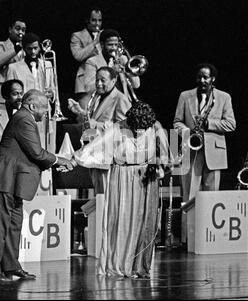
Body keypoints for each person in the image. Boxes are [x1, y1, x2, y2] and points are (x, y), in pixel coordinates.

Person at [0, 89, 75, 283]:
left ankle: (10, 266)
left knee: (13, 225)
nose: (47, 112)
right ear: (32, 106)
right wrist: (59, 160)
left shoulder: (24, 118)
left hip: (13, 181)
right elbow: (36, 152)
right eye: (44, 108)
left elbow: (27, 154)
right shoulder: (24, 119)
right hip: (3, 179)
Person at [73, 101, 170, 278]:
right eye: (136, 128)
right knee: (121, 220)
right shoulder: (117, 128)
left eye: (144, 128)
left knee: (145, 223)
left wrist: (157, 165)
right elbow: (95, 147)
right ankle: (118, 265)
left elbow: (165, 155)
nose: (140, 132)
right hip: (122, 177)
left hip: (147, 179)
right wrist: (74, 160)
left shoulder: (155, 127)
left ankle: (139, 267)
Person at [173, 63, 236, 201]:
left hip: (214, 152)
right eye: (199, 77)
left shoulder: (224, 97)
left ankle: (208, 223)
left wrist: (208, 124)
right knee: (189, 196)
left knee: (212, 197)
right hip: (191, 150)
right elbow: (177, 122)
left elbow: (231, 124)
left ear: (213, 79)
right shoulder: (185, 96)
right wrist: (188, 132)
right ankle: (188, 223)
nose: (202, 80)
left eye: (205, 77)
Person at [68, 66, 131, 194]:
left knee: (107, 198)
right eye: (97, 80)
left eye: (103, 80)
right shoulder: (96, 96)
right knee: (100, 197)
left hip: (110, 159)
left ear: (114, 81)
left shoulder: (120, 98)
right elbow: (93, 121)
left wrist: (96, 124)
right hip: (96, 155)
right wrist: (81, 113)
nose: (99, 84)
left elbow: (123, 128)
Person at [6, 32, 57, 153]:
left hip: (45, 112)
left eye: (35, 48)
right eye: (29, 49)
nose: (33, 52)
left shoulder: (48, 64)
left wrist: (52, 94)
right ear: (24, 49)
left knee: (46, 146)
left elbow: (53, 89)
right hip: (25, 113)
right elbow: (10, 94)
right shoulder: (14, 67)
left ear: (40, 47)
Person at [83, 29, 140, 102]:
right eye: (110, 44)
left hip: (123, 104)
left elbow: (136, 85)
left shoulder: (123, 59)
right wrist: (111, 71)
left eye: (116, 44)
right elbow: (89, 88)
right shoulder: (92, 62)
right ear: (102, 45)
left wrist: (128, 71)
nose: (114, 48)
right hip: (103, 105)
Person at [0, 18, 26, 110]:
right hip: (2, 93)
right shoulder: (0, 45)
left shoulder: (26, 50)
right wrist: (16, 49)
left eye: (23, 30)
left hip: (19, 93)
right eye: (17, 28)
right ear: (10, 29)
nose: (21, 32)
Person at [71, 8, 103, 99]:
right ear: (87, 21)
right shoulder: (77, 36)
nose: (97, 24)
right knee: (85, 113)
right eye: (94, 20)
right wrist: (96, 41)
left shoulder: (105, 35)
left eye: (99, 20)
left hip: (105, 81)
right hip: (85, 82)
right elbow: (78, 55)